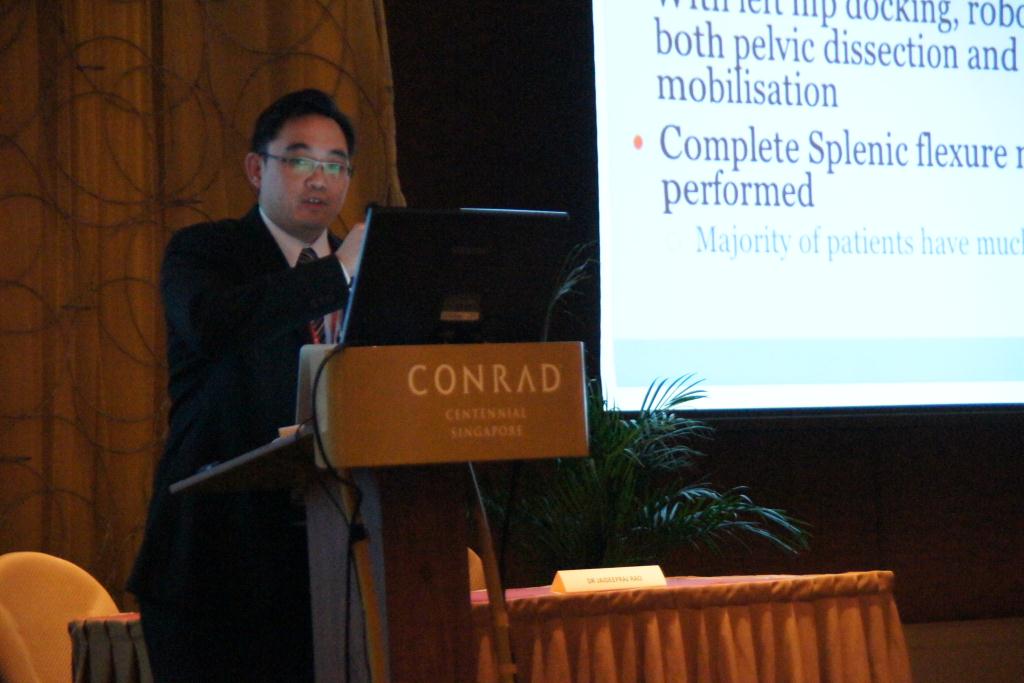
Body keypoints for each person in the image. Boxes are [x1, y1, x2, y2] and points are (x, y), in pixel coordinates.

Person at [128, 89, 365, 682]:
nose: (320, 179)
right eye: (300, 160)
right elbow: (214, 325)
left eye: (336, 165)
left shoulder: (366, 272)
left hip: (334, 569)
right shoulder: (205, 252)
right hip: (214, 570)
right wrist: (337, 273)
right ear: (257, 168)